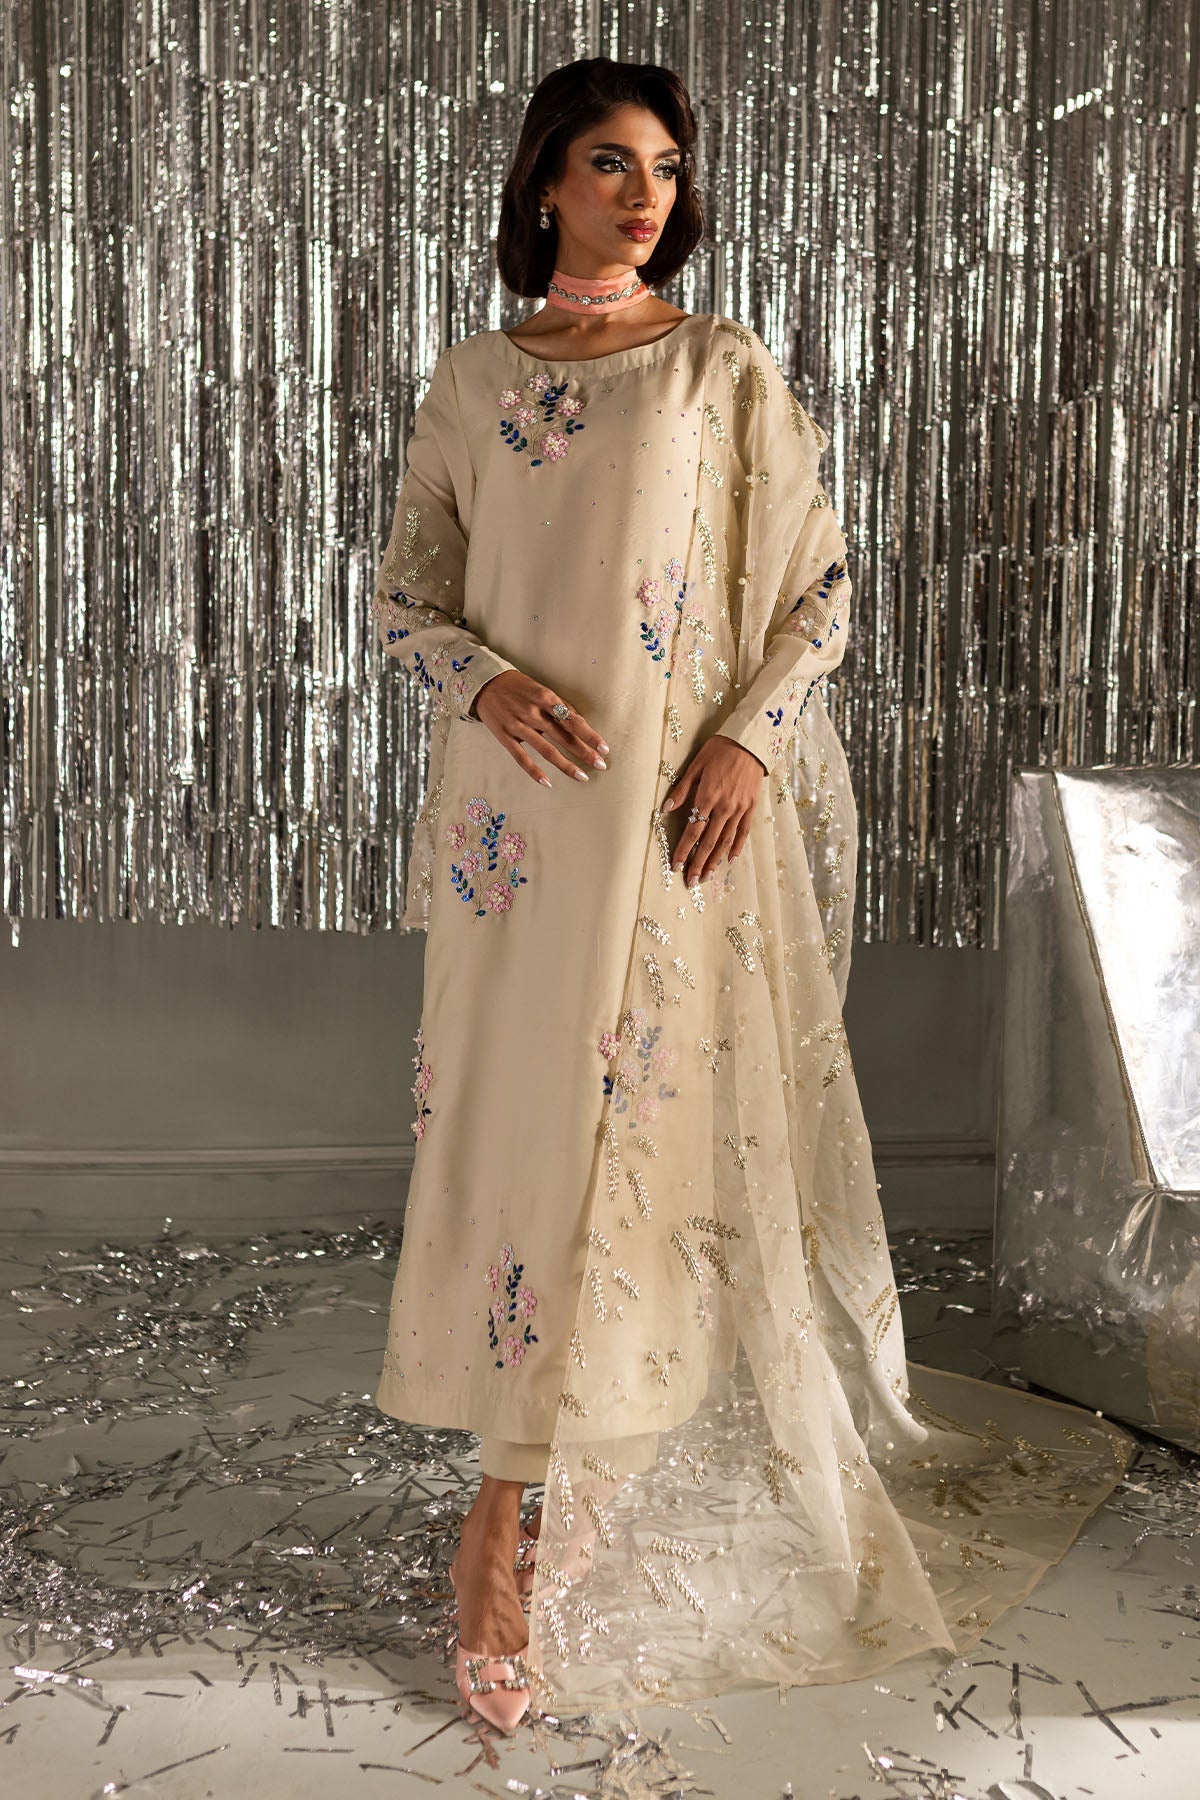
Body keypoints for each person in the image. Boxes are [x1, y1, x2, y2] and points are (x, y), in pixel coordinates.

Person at [372, 57, 1132, 1735]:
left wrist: (746, 746)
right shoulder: (474, 379)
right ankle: (519, 1487)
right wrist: (487, 683)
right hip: (514, 837)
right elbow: (407, 597)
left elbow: (820, 589)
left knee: (630, 1152)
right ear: (545, 183)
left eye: (663, 166)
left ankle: (521, 1512)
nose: (642, 193)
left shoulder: (719, 369)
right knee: (517, 1145)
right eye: (606, 162)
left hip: (670, 830)